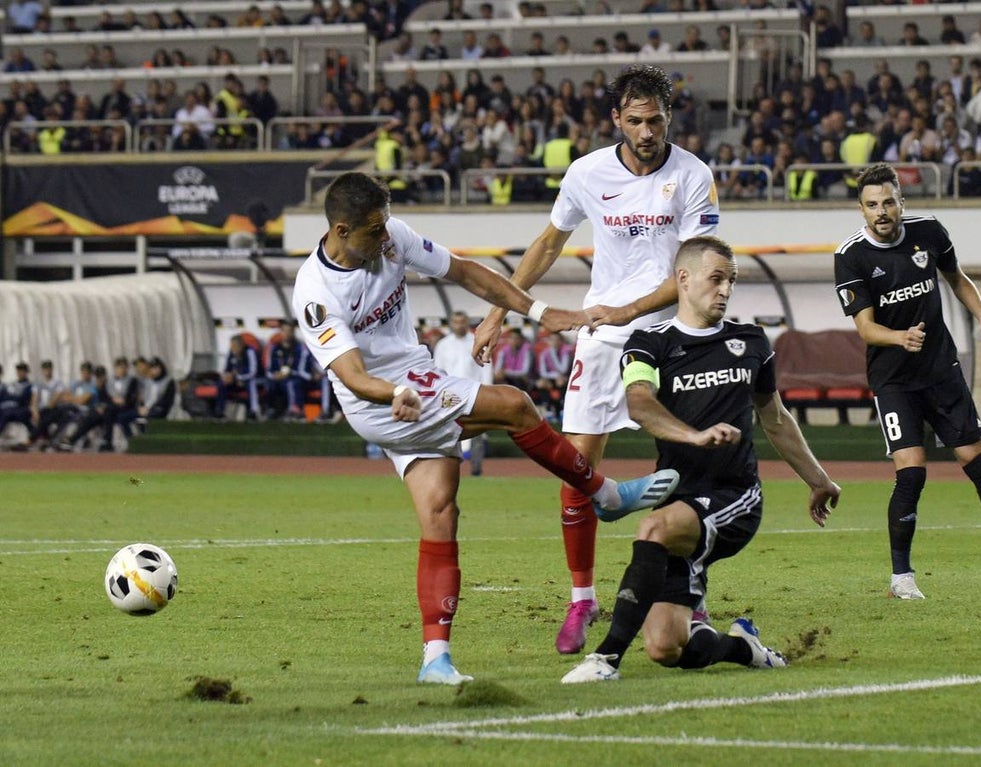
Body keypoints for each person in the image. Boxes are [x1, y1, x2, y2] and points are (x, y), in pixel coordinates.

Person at [290, 171, 679, 685]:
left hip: (417, 378)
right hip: (382, 401)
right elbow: (353, 378)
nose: (385, 238)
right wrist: (396, 394)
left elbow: (468, 273)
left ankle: (435, 658)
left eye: (385, 226)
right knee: (515, 405)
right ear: (340, 230)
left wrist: (541, 312)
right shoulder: (315, 292)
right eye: (372, 231)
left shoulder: (393, 238)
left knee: (440, 513)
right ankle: (604, 494)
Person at [473, 64, 720, 655]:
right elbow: (550, 242)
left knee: (690, 465)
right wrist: (499, 311)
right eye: (634, 120)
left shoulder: (693, 175)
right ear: (616, 120)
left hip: (673, 335)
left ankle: (692, 593)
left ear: (668, 117)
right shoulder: (587, 173)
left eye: (655, 120)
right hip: (604, 335)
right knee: (576, 466)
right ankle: (581, 598)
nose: (646, 131)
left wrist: (629, 309)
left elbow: (694, 268)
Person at [562, 236, 840, 683]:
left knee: (652, 527)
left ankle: (606, 658)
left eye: (731, 280)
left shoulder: (750, 342)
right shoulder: (648, 343)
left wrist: (818, 478)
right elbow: (639, 403)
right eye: (716, 279)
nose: (725, 289)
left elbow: (775, 419)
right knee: (665, 646)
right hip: (680, 500)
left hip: (735, 496)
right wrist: (694, 435)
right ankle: (742, 648)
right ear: (684, 280)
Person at [833, 163, 981, 599]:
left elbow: (957, 279)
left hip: (941, 371)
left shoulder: (929, 232)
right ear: (861, 210)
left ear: (901, 201)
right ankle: (901, 579)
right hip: (894, 381)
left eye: (888, 202)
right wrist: (899, 337)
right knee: (912, 474)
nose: (881, 212)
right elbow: (865, 328)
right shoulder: (850, 255)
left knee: (980, 464)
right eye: (872, 206)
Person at [432, 310, 494, 476]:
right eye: (456, 322)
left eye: (462, 322)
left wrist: (488, 391)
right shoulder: (443, 345)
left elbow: (486, 367)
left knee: (477, 431)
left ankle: (476, 469)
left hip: (474, 392)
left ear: (467, 323)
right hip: (449, 394)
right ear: (451, 323)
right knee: (448, 432)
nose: (459, 325)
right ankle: (448, 469)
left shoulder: (477, 341)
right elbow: (438, 371)